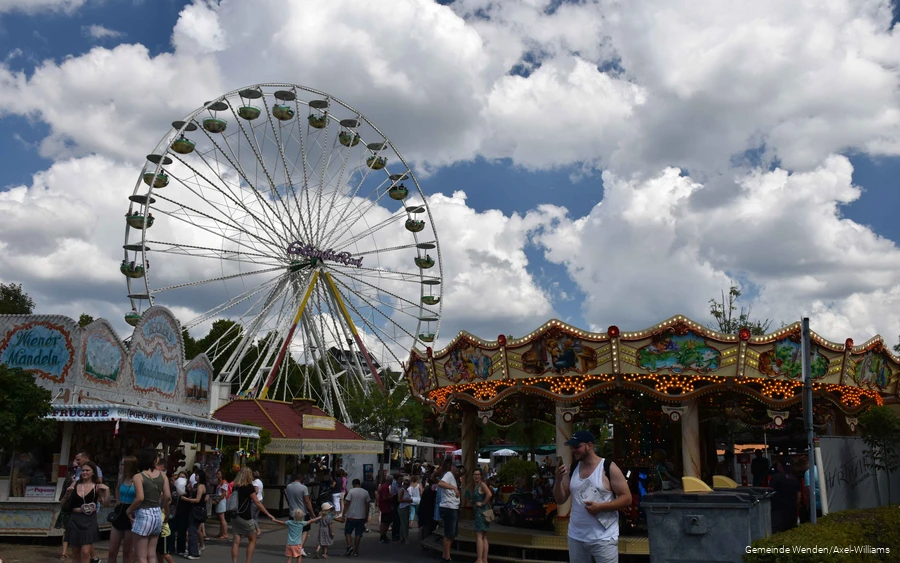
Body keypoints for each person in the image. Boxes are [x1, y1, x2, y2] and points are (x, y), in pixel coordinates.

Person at [553, 430, 632, 563]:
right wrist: (558, 480)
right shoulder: (572, 469)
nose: (574, 450)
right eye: (572, 447)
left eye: (577, 446)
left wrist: (600, 507)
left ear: (589, 446)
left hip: (604, 538)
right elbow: (560, 499)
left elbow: (627, 498)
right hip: (576, 537)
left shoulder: (608, 467)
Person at [127, 450, 171, 563]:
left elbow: (140, 498)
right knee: (151, 555)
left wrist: (129, 510)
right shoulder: (162, 475)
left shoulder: (138, 476)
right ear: (154, 460)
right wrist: (165, 509)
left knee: (141, 556)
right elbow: (167, 496)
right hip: (157, 513)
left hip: (143, 514)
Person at [63, 460, 111, 563]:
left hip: (89, 520)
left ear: (93, 472)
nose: (84, 472)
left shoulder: (97, 487)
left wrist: (107, 491)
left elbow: (106, 503)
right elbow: (63, 504)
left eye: (87, 470)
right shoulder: (75, 484)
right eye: (82, 470)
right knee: (75, 553)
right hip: (75, 519)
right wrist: (67, 494)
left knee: (85, 552)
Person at [231, 466, 279, 563]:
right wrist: (268, 514)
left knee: (236, 541)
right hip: (245, 516)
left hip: (235, 515)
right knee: (252, 539)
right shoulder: (249, 487)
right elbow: (257, 502)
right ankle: (248, 561)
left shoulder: (235, 486)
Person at [108, 455, 138, 563]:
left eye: (123, 464)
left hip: (131, 512)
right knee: (112, 551)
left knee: (127, 551)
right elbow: (117, 489)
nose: (121, 467)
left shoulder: (137, 479)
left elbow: (140, 497)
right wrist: (117, 502)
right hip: (120, 510)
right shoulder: (121, 478)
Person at [436, 458, 463, 563]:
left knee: (451, 534)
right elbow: (440, 483)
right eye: (457, 467)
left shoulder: (453, 477)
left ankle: (445, 555)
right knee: (449, 534)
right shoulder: (448, 475)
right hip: (449, 507)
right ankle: (447, 557)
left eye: (459, 468)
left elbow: (464, 471)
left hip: (452, 507)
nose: (458, 469)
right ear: (452, 467)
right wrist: (454, 488)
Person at [286, 470, 316, 557]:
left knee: (294, 530)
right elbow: (307, 501)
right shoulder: (304, 488)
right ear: (302, 478)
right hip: (303, 512)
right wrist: (312, 512)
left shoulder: (288, 487)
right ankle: (300, 547)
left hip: (292, 512)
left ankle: (293, 547)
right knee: (305, 530)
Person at [466, 468, 493, 563]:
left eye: (478, 474)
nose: (476, 476)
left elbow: (489, 494)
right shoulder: (477, 485)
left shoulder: (482, 484)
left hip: (480, 513)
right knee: (484, 536)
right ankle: (484, 559)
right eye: (475, 474)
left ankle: (479, 559)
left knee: (479, 536)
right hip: (482, 512)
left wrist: (482, 503)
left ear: (481, 476)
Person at [768, 458, 801, 533]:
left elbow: (769, 491)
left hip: (778, 510)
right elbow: (799, 496)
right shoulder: (795, 479)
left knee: (776, 532)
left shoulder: (775, 477)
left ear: (780, 466)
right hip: (792, 511)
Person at [342, 478, 370, 557]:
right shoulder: (365, 492)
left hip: (351, 515)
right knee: (358, 534)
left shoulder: (351, 491)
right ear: (359, 484)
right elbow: (367, 505)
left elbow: (347, 503)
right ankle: (356, 550)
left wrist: (343, 514)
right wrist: (366, 516)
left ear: (353, 484)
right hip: (361, 516)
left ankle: (349, 546)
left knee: (347, 532)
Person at [184, 469, 207, 559]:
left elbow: (197, 499)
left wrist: (187, 499)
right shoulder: (196, 485)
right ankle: (191, 551)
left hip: (198, 510)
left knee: (193, 531)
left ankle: (194, 553)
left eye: (197, 475)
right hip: (194, 509)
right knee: (191, 530)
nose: (195, 476)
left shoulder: (201, 486)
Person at [798, 455, 822, 522]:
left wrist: (808, 506)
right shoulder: (818, 469)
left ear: (803, 465)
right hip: (823, 504)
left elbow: (808, 491)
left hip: (815, 505)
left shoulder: (808, 473)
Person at [417, 476, 437, 544]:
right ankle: (427, 543)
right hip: (428, 511)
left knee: (421, 527)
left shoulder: (426, 490)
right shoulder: (433, 492)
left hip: (422, 509)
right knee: (428, 528)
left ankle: (421, 543)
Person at [376, 475, 394, 544]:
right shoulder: (385, 487)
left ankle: (384, 535)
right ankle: (382, 536)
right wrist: (392, 496)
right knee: (384, 522)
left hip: (385, 506)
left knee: (387, 522)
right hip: (385, 506)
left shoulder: (384, 486)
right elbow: (384, 497)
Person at [214, 469, 230, 539]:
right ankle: (221, 532)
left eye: (219, 474)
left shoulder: (224, 483)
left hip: (221, 501)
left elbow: (223, 494)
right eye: (217, 474)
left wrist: (217, 501)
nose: (217, 475)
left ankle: (225, 533)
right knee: (220, 518)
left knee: (222, 518)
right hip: (219, 500)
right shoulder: (219, 483)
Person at [397, 478, 412, 544]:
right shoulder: (402, 490)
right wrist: (408, 501)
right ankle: (405, 538)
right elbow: (399, 500)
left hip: (406, 507)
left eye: (407, 484)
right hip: (403, 508)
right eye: (405, 484)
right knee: (404, 523)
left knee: (404, 523)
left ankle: (402, 537)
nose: (406, 485)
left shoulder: (407, 491)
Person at [251, 470, 264, 536]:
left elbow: (256, 491)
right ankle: (255, 530)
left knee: (251, 516)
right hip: (260, 499)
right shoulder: (260, 481)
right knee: (256, 517)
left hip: (255, 500)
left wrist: (251, 495)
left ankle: (258, 530)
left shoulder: (255, 482)